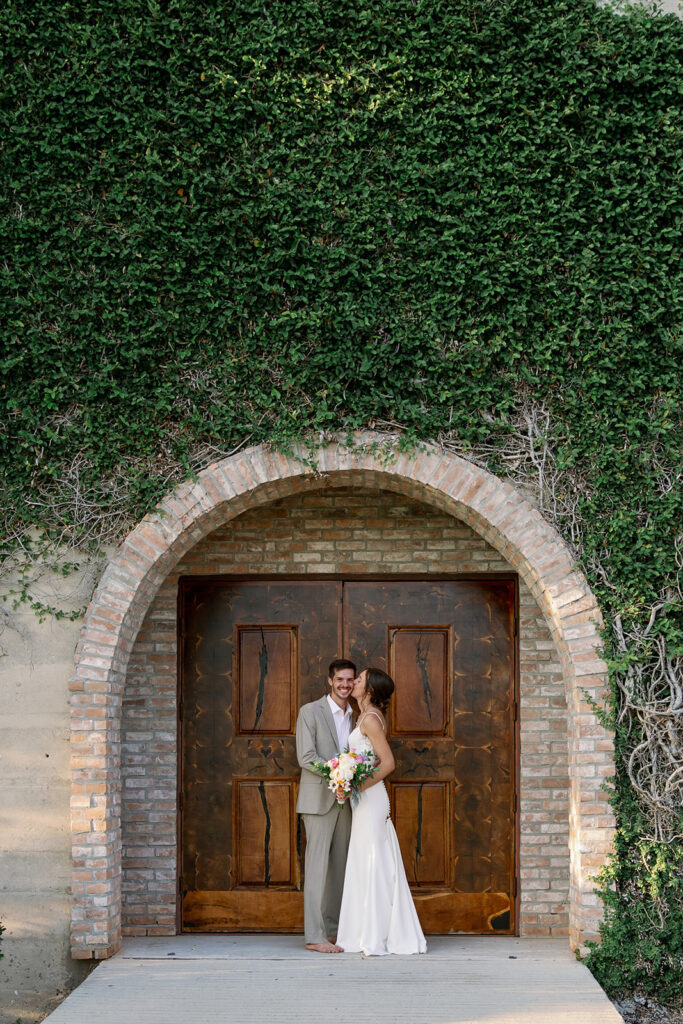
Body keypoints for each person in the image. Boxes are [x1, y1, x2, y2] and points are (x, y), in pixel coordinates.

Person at [336, 667, 427, 956]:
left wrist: (356, 787)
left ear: (370, 689)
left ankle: (381, 935)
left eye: (359, 679)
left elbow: (388, 763)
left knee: (374, 862)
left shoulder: (371, 719)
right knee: (365, 862)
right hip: (364, 799)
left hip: (372, 800)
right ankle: (366, 931)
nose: (353, 683)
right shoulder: (363, 716)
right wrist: (346, 778)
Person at [295, 658, 356, 953]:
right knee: (317, 868)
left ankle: (332, 931)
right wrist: (338, 771)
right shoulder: (310, 712)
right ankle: (314, 936)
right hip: (318, 798)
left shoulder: (355, 716)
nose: (345, 685)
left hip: (347, 800)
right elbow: (306, 758)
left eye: (350, 680)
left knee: (340, 868)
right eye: (340, 680)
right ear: (329, 681)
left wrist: (350, 778)